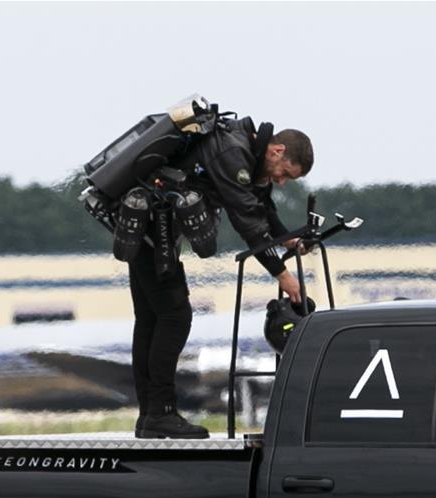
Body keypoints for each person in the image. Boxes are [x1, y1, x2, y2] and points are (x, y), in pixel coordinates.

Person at [129, 117, 314, 439]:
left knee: (151, 320)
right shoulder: (233, 153)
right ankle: (160, 413)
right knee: (174, 317)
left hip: (147, 230)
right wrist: (282, 274)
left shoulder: (246, 153)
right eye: (285, 173)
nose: (282, 181)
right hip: (150, 232)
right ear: (278, 151)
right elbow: (248, 221)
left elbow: (261, 205)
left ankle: (150, 416)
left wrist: (289, 240)